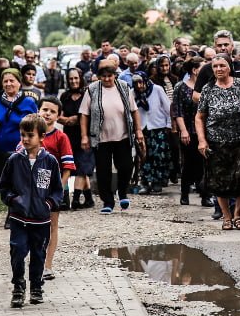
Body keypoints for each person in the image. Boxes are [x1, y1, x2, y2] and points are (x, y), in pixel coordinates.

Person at [0, 113, 63, 308]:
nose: (25, 139)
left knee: (38, 255)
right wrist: (13, 200)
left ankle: (36, 287)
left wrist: (48, 204)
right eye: (22, 135)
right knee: (17, 252)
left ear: (42, 136)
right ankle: (18, 287)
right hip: (19, 219)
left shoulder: (50, 162)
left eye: (30, 135)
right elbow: (3, 187)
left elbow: (57, 190)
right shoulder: (14, 160)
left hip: (41, 221)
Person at [195, 55, 240, 230]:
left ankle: (238, 215)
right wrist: (201, 140)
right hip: (216, 142)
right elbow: (199, 117)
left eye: (222, 65)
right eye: (215, 66)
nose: (218, 69)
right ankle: (226, 217)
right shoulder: (208, 89)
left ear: (229, 67)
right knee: (219, 180)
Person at [79, 62, 144, 214]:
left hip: (123, 136)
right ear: (99, 77)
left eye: (110, 76)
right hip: (101, 138)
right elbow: (84, 114)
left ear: (115, 75)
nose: (107, 79)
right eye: (104, 76)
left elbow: (134, 110)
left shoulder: (124, 87)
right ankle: (107, 201)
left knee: (126, 166)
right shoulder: (92, 89)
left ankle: (122, 192)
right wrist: (84, 136)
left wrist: (138, 130)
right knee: (103, 171)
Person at [33, 96, 75, 282]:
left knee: (52, 226)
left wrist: (60, 189)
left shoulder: (61, 137)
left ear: (59, 116)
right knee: (33, 226)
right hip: (32, 190)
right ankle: (35, 262)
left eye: (52, 111)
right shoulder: (30, 135)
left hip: (53, 190)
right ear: (38, 111)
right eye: (45, 110)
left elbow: (68, 167)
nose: (48, 114)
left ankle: (47, 266)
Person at [0, 68, 39, 189]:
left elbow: (38, 125)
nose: (8, 84)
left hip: (22, 151)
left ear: (19, 83)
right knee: (2, 185)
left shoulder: (29, 102)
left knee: (21, 184)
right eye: (5, 81)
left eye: (12, 80)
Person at [173, 58, 212, 207]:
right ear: (195, 70)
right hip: (189, 129)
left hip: (205, 130)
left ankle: (205, 195)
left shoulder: (207, 86)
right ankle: (184, 193)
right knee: (189, 163)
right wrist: (183, 130)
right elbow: (178, 110)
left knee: (205, 164)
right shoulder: (181, 87)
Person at [59, 68, 95, 210]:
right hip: (69, 136)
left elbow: (91, 114)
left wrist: (79, 119)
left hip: (85, 135)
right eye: (71, 78)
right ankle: (89, 199)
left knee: (83, 167)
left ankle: (75, 199)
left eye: (76, 78)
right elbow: (58, 116)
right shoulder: (65, 96)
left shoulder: (87, 94)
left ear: (80, 79)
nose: (73, 81)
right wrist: (69, 120)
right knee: (75, 166)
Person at [133, 72, 172, 194]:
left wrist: (169, 124)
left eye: (141, 82)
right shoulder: (133, 93)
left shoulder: (157, 89)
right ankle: (145, 182)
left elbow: (168, 107)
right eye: (136, 83)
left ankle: (157, 182)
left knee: (159, 155)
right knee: (144, 157)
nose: (139, 86)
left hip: (158, 127)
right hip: (142, 129)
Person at [151, 54, 179, 183]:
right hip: (161, 117)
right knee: (163, 147)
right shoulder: (153, 81)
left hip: (175, 117)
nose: (164, 68)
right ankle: (164, 174)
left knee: (175, 146)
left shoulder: (174, 79)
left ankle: (174, 172)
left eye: (167, 65)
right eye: (162, 65)